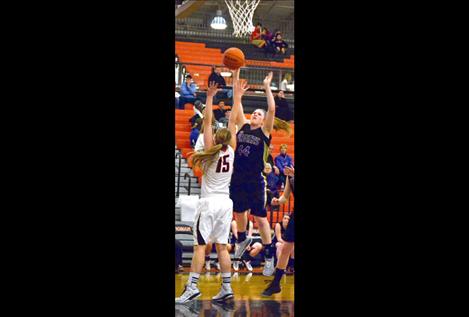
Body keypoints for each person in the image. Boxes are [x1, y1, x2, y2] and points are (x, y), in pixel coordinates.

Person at [176, 75, 243, 304]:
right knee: (222, 247)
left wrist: (210, 96)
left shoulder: (209, 153)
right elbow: (233, 121)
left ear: (215, 138)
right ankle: (226, 287)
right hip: (226, 203)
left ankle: (192, 287)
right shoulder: (231, 151)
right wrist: (237, 96)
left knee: (200, 247)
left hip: (209, 203)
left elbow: (206, 122)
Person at [229, 70, 292, 277]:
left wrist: (266, 86)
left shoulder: (264, 132)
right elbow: (237, 104)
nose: (254, 115)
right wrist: (235, 74)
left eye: (258, 114)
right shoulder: (243, 127)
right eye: (254, 113)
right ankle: (241, 240)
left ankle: (268, 254)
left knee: (261, 217)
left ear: (264, 120)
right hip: (238, 177)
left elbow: (272, 108)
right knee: (239, 213)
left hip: (255, 180)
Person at [262, 166, 295, 296]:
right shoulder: (290, 174)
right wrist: (277, 201)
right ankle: (276, 283)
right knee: (286, 248)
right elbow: (285, 197)